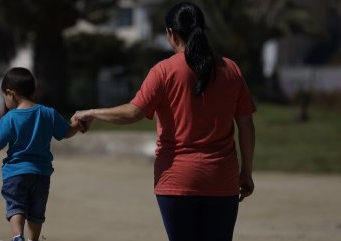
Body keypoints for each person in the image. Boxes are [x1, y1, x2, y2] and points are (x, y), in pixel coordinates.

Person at [72, 2, 256, 241]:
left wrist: (92, 112)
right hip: (222, 178)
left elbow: (133, 113)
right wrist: (247, 172)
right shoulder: (231, 69)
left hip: (176, 179)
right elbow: (246, 125)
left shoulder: (163, 71)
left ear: (171, 33)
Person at [0, 67, 84, 241]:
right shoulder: (48, 113)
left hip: (15, 173)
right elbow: (66, 132)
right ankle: (33, 239)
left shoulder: (10, 118)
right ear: (33, 91)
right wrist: (78, 124)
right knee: (37, 210)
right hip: (41, 173)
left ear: (10, 93)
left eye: (4, 96)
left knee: (16, 206)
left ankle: (17, 236)